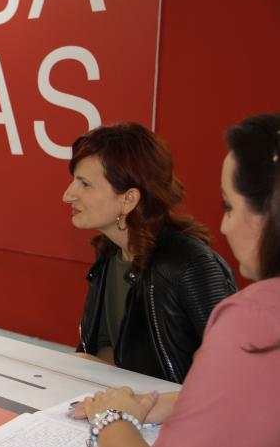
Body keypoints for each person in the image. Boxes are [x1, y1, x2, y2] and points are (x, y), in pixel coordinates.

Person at [77, 114, 280, 446]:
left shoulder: (249, 315)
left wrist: (111, 418)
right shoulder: (108, 255)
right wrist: (165, 403)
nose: (224, 226)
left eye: (228, 206)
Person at [62, 123, 236, 383]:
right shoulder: (109, 255)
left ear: (129, 199)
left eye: (85, 184)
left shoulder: (191, 265)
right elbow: (115, 355)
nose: (68, 195)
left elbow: (236, 375)